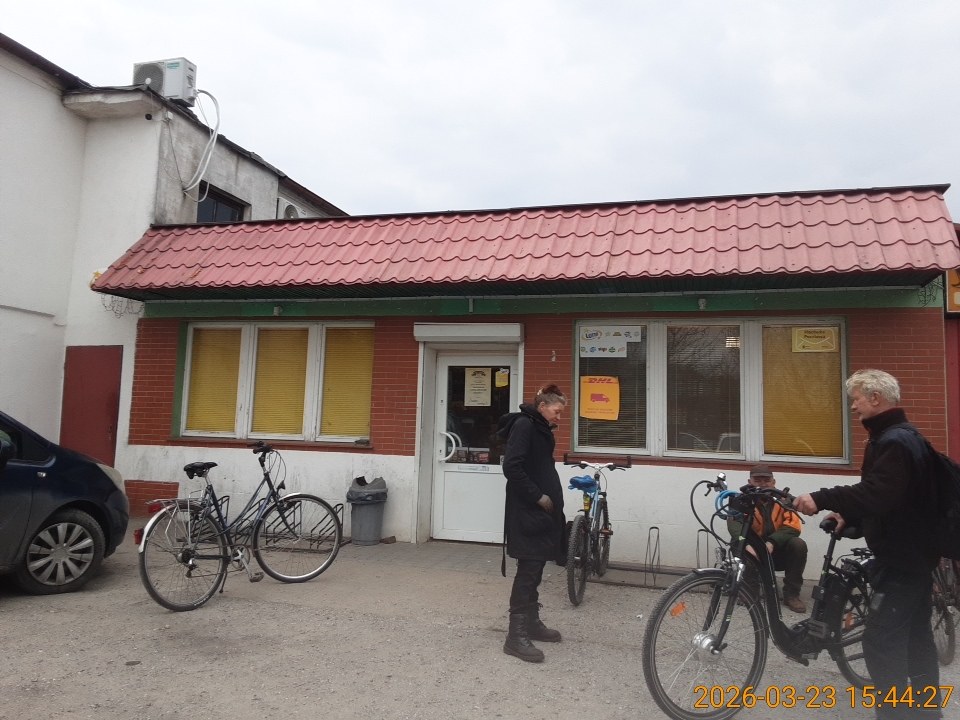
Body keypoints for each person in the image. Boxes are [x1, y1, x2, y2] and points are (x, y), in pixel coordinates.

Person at [793, 369, 941, 718]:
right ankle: (926, 713)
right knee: (916, 639)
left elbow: (878, 493)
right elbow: (895, 500)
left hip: (902, 562)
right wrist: (852, 517)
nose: (853, 405)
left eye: (856, 398)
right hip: (914, 557)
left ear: (876, 398)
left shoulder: (894, 441)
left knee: (881, 642)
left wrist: (822, 497)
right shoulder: (897, 436)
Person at [497, 384, 567, 663]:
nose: (559, 417)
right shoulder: (525, 425)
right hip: (528, 511)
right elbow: (511, 466)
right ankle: (515, 636)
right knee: (528, 570)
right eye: (556, 411)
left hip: (540, 513)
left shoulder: (539, 427)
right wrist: (537, 496)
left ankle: (532, 622)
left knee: (535, 567)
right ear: (542, 406)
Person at [729, 464, 808, 613]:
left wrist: (771, 543)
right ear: (749, 482)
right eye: (757, 480)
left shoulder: (785, 500)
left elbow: (794, 527)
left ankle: (791, 594)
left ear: (774, 482)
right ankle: (750, 591)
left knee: (798, 544)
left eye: (767, 480)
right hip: (753, 552)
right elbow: (734, 526)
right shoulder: (740, 500)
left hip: (776, 553)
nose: (763, 484)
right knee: (737, 543)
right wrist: (748, 546)